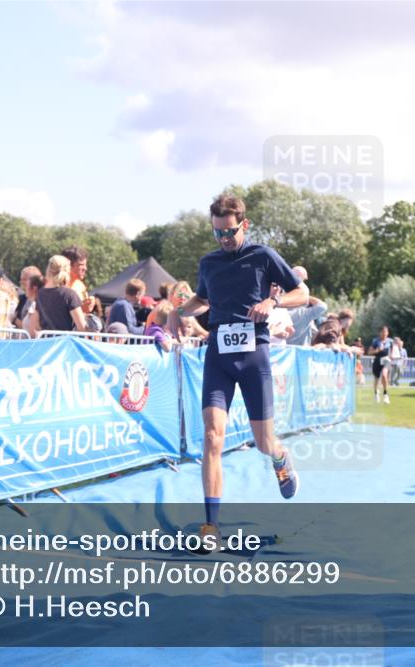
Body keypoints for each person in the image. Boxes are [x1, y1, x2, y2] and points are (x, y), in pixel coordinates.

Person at [173, 194, 307, 543]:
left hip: (254, 356)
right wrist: (179, 311)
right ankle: (211, 526)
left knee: (263, 442)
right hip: (218, 354)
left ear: (243, 224)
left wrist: (272, 300)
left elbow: (303, 294)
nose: (224, 239)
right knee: (212, 437)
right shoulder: (209, 263)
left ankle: (280, 457)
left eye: (229, 232)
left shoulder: (262, 256)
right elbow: (202, 300)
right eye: (217, 233)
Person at [29, 255, 87, 335]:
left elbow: (33, 327)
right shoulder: (69, 295)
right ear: (67, 271)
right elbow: (82, 327)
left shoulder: (40, 294)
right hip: (64, 344)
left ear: (48, 270)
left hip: (46, 343)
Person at [367, 326, 394, 403]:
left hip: (386, 360)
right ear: (380, 333)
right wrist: (377, 350)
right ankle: (376, 393)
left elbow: (392, 351)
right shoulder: (375, 341)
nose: (384, 333)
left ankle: (385, 395)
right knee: (376, 378)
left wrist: (391, 356)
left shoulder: (390, 341)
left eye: (386, 332)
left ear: (388, 333)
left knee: (384, 375)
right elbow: (369, 352)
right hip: (377, 360)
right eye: (383, 332)